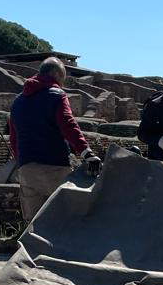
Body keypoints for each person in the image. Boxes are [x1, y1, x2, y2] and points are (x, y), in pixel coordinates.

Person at [8, 56, 100, 223]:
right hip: (54, 166)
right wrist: (86, 152)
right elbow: (68, 124)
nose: (63, 82)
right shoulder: (57, 95)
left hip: (27, 169)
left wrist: (21, 162)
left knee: (33, 224)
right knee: (64, 220)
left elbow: (14, 138)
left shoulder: (18, 101)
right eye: (63, 77)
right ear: (56, 74)